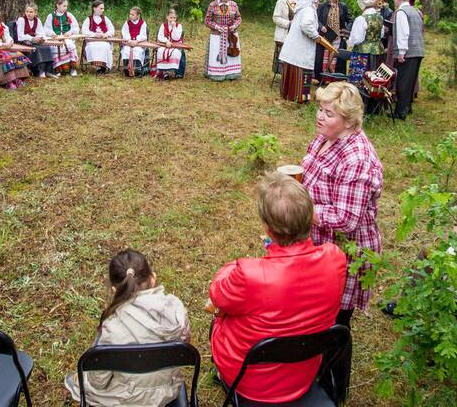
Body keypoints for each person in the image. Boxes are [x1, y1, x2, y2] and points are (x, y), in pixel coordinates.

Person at [209, 173, 346, 404]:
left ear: (268, 229)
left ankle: (222, 376)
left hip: (248, 381)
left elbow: (217, 295)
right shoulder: (336, 259)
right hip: (303, 375)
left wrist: (234, 265)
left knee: (217, 318)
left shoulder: (248, 275)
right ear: (309, 218)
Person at [301, 81, 383, 403]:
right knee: (320, 315)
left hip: (348, 253)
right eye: (320, 109)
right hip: (322, 245)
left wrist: (303, 210)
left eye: (329, 113)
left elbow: (347, 220)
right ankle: (315, 377)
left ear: (349, 121)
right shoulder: (327, 137)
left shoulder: (357, 159)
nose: (320, 117)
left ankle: (335, 392)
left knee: (337, 323)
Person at [63, 250, 190, 407]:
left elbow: (98, 382)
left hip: (126, 399)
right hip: (166, 392)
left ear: (115, 290)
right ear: (153, 278)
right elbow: (183, 349)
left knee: (80, 379)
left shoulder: (111, 329)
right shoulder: (176, 312)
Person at [278, 0, 322, 103]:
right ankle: (299, 97)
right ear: (313, 0)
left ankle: (288, 94)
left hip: (296, 46)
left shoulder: (302, 8)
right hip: (301, 46)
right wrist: (315, 35)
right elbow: (306, 25)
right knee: (301, 70)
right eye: (318, 0)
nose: (319, 3)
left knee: (293, 66)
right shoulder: (308, 10)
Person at [0, 4, 30, 90]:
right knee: (6, 57)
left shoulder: (2, 24)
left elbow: (7, 36)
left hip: (4, 47)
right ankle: (8, 81)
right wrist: (2, 44)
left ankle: (18, 78)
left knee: (18, 54)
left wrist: (10, 42)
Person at [392, 0, 424, 119]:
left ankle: (401, 112)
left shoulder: (401, 12)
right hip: (418, 50)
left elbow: (403, 33)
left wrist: (401, 52)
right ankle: (408, 107)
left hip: (408, 52)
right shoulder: (415, 10)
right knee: (410, 81)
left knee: (403, 82)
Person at [344, 0, 385, 83]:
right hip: (378, 52)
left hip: (362, 54)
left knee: (360, 79)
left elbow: (356, 39)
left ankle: (360, 95)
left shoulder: (361, 19)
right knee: (375, 79)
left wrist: (349, 42)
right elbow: (381, 34)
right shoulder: (379, 17)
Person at [204, 0, 242, 81]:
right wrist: (217, 27)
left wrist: (234, 26)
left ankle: (231, 73)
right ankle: (217, 74)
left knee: (232, 52)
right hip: (217, 35)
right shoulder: (213, 5)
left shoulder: (233, 5)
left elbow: (239, 18)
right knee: (217, 52)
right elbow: (207, 20)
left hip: (231, 35)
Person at [315, 0, 351, 78]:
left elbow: (350, 20)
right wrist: (321, 26)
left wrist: (345, 29)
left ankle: (334, 77)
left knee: (335, 56)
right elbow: (316, 18)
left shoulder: (343, 6)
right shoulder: (323, 5)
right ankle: (322, 77)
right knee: (324, 57)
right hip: (325, 36)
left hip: (338, 36)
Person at [16, 3, 55, 78]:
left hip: (34, 41)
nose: (28, 14)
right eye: (27, 11)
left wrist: (41, 38)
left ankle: (48, 71)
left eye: (31, 12)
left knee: (46, 47)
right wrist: (32, 38)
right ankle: (39, 71)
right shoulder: (22, 20)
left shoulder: (37, 21)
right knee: (36, 49)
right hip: (23, 42)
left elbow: (41, 33)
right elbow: (20, 36)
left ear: (35, 13)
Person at [45, 0, 80, 77]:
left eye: (66, 6)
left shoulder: (69, 15)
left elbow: (76, 27)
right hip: (55, 38)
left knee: (70, 45)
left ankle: (72, 68)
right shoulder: (50, 16)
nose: (66, 8)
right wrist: (52, 33)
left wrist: (69, 32)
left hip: (66, 38)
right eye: (64, 6)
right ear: (57, 5)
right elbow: (46, 29)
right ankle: (57, 69)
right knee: (55, 47)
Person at [272, 0, 299, 78]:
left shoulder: (300, 1)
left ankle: (293, 75)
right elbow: (275, 18)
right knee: (284, 54)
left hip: (296, 34)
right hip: (284, 33)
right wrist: (288, 23)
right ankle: (284, 75)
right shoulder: (281, 2)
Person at [81, 0, 117, 74]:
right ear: (94, 8)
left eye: (103, 8)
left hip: (103, 41)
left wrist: (105, 34)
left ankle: (103, 66)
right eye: (101, 8)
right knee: (92, 47)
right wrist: (94, 34)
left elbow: (112, 30)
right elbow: (84, 31)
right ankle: (97, 66)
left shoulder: (105, 19)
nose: (102, 10)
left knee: (105, 47)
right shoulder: (89, 19)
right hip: (92, 41)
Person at [155, 9, 185, 80]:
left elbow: (176, 37)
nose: (172, 19)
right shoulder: (163, 25)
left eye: (174, 18)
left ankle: (173, 70)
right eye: (171, 17)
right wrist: (166, 41)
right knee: (161, 51)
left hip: (175, 44)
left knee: (176, 52)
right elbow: (160, 36)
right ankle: (165, 72)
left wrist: (174, 27)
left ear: (176, 17)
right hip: (165, 44)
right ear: (167, 17)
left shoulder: (179, 26)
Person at [120, 7, 149, 77]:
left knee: (137, 51)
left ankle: (137, 70)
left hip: (139, 43)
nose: (130, 16)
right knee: (126, 50)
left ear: (138, 15)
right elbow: (124, 33)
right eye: (130, 14)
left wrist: (136, 41)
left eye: (133, 15)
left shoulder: (142, 23)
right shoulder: (127, 23)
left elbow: (143, 35)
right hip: (129, 42)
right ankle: (127, 70)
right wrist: (129, 40)